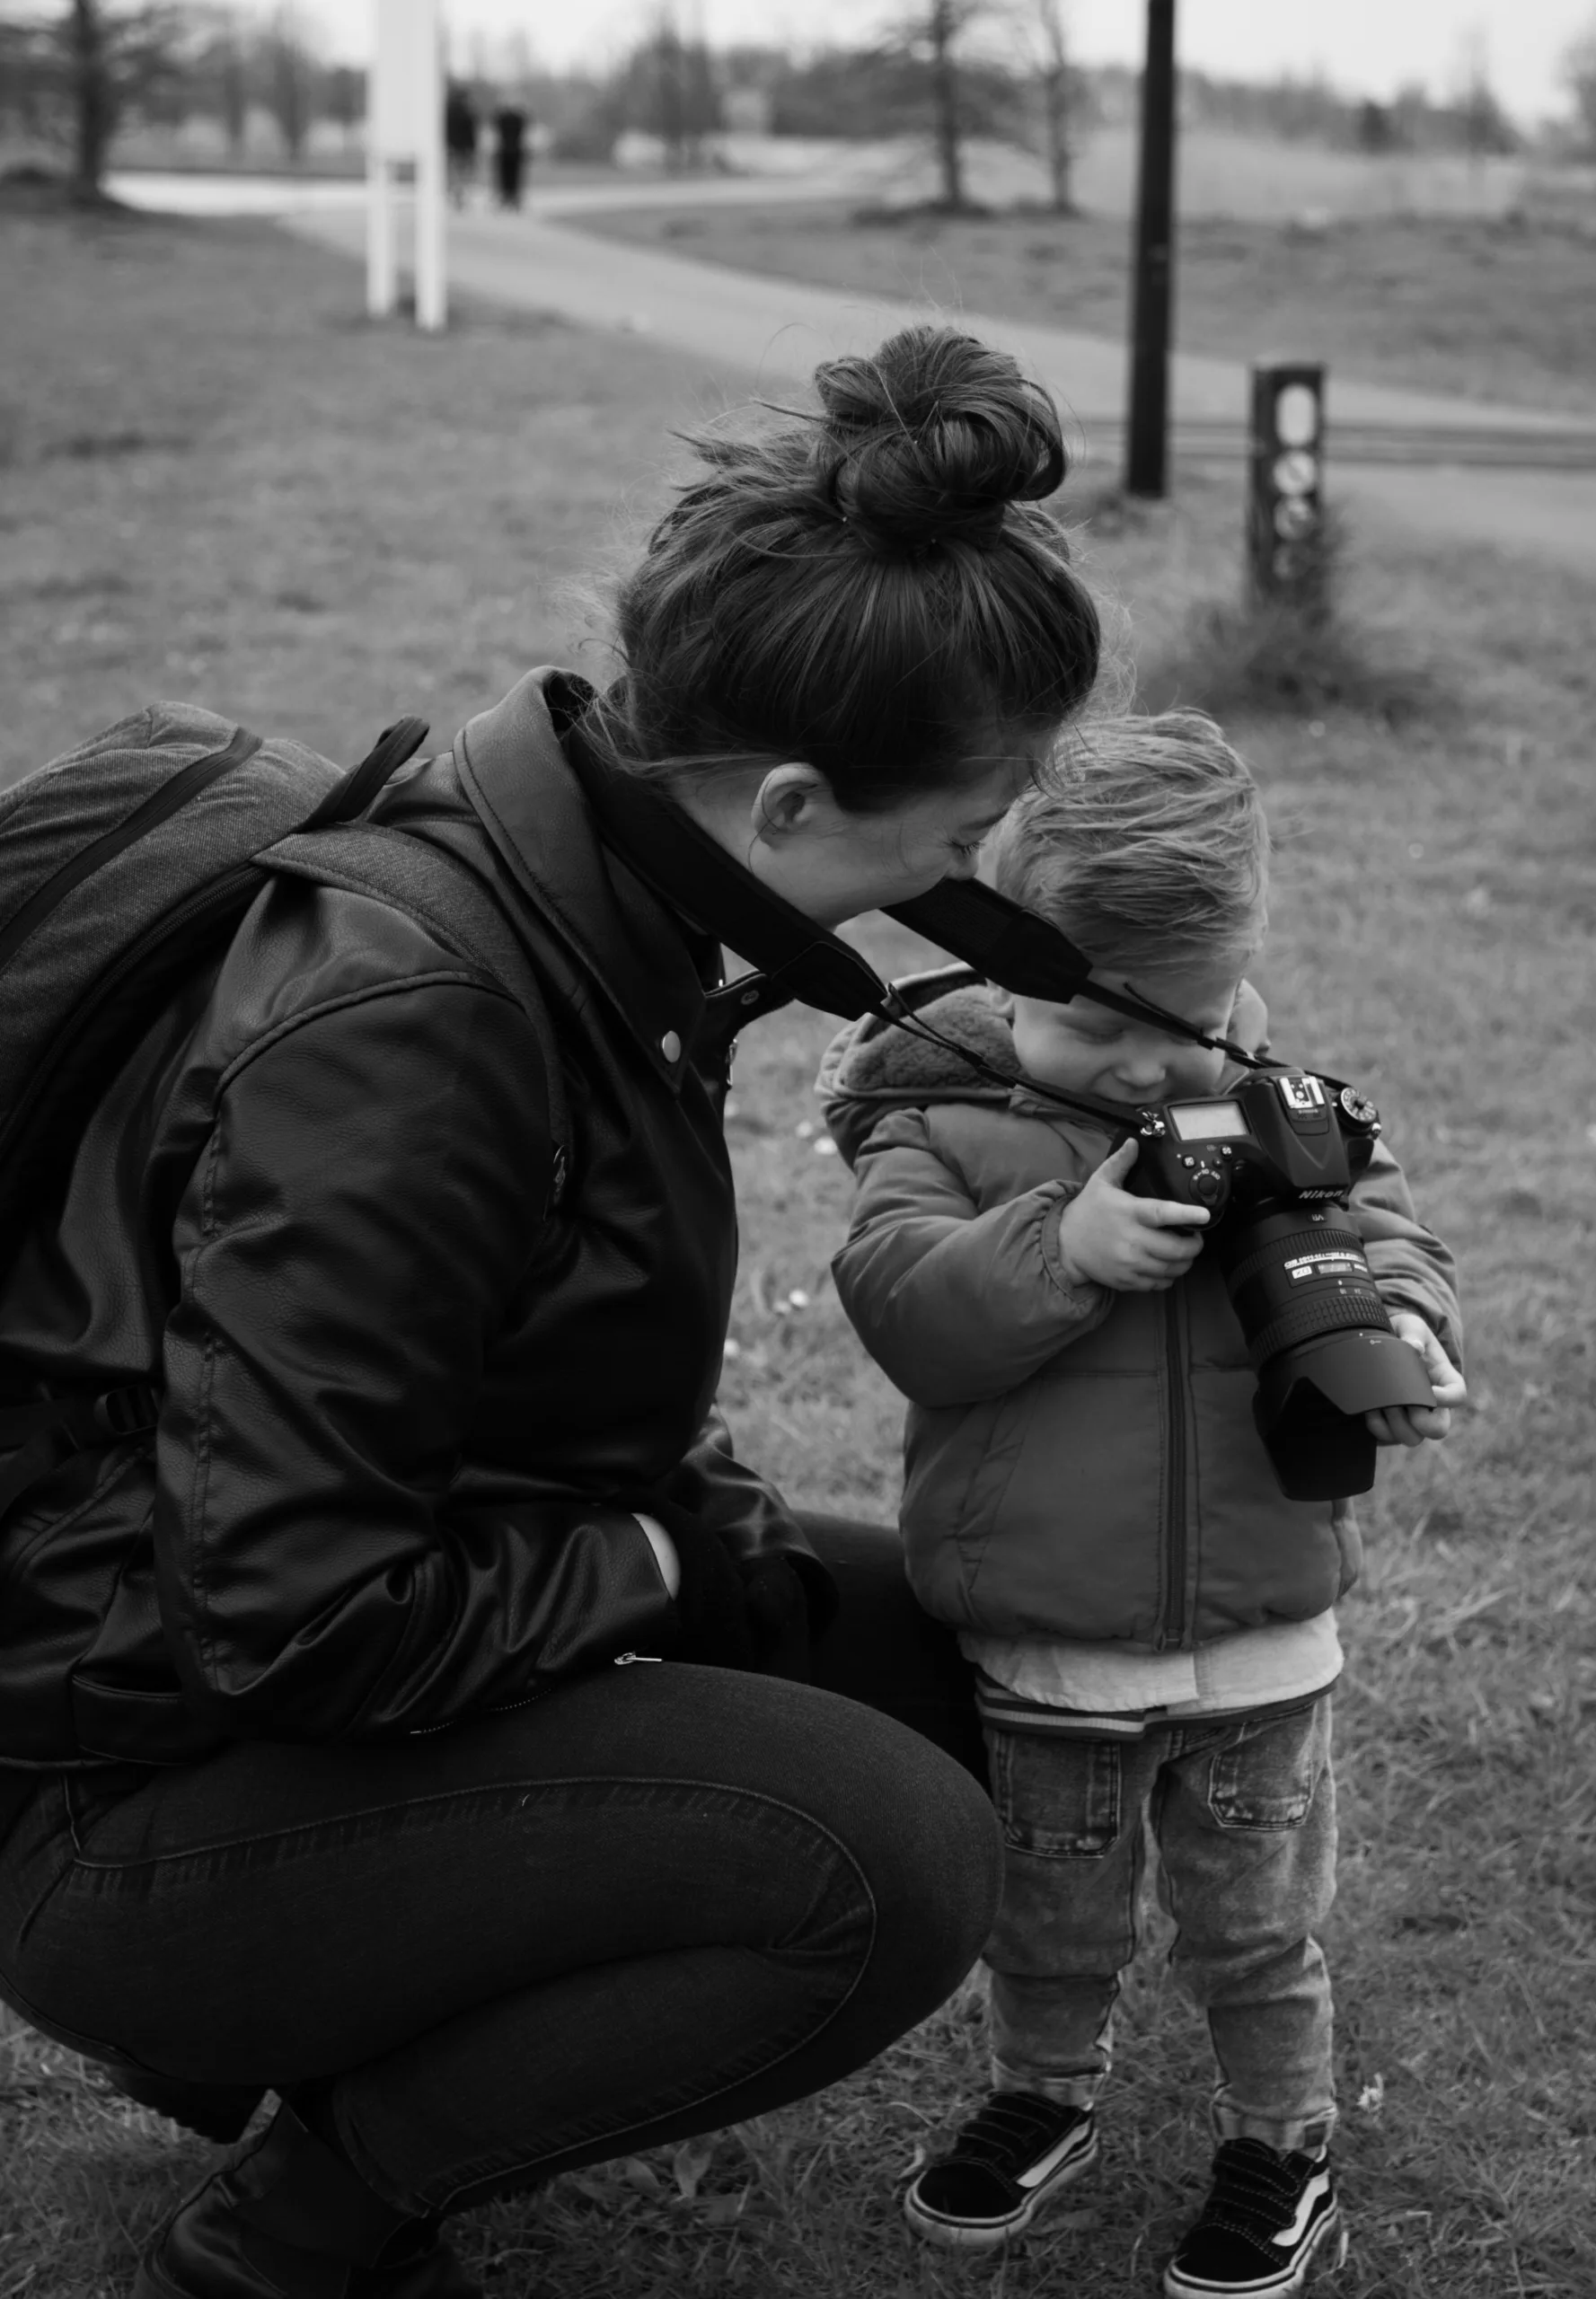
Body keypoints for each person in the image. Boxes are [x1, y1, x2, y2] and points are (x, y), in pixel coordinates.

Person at [0, 325, 1104, 2299]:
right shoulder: (425, 1026)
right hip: (116, 1783)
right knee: (881, 1857)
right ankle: (300, 2220)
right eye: (947, 841)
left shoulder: (581, 884)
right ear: (779, 804)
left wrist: (717, 1547)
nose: (956, 886)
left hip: (250, 1648)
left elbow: (508, 1367)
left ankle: (343, 2008)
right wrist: (658, 1555)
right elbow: (292, 1613)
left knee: (962, 1663)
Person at [820, 715, 1465, 2297]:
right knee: (1048, 1923)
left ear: (1238, 969)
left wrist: (1408, 1325)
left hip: (1262, 1639)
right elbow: (905, 1305)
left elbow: (1386, 1240)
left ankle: (1284, 2143)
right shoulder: (943, 1124)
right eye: (1084, 1021)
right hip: (1049, 1647)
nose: (1135, 1066)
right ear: (1002, 967)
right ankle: (1041, 2097)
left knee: (1254, 1932)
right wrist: (1066, 1248)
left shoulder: (1291, 1118)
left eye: (1178, 1022)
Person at [443, 82, 478, 209]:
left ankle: (456, 196)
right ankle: (459, 197)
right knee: (462, 174)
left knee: (453, 174)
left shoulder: (447, 110)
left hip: (452, 145)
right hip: (463, 147)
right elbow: (471, 132)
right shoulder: (467, 112)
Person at [491, 97, 529, 209]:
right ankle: (513, 198)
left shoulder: (501, 118)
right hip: (516, 150)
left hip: (504, 149)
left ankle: (505, 198)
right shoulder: (519, 118)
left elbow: (495, 122)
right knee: (515, 176)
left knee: (504, 176)